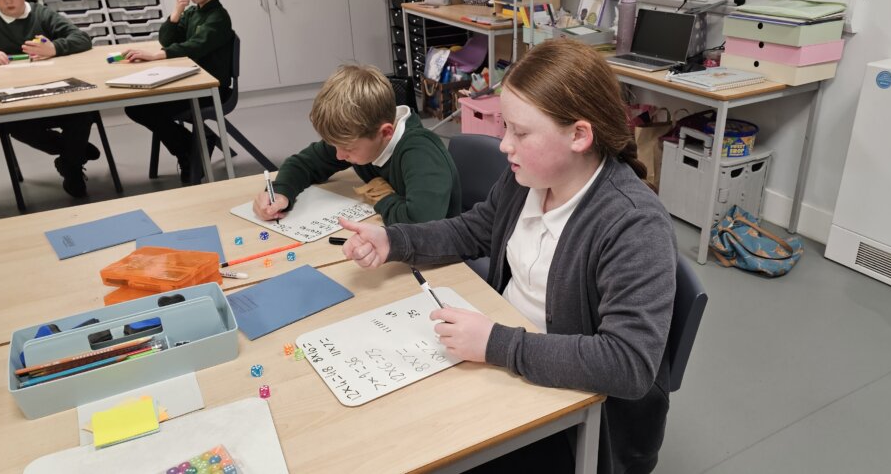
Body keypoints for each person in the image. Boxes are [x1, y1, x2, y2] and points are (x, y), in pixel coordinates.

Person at [337, 38, 677, 473]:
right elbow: (471, 230)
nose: (504, 145)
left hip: (573, 412)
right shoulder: (528, 179)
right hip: (510, 359)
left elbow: (627, 364)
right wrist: (395, 242)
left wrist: (496, 343)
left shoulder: (633, 225)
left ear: (579, 135)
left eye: (520, 132)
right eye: (505, 128)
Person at [252, 65, 461, 225]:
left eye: (348, 149)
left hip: (441, 259)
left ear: (386, 132)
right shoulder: (359, 138)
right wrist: (281, 192)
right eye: (336, 146)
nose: (340, 156)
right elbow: (303, 164)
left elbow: (420, 224)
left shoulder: (420, 153)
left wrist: (384, 198)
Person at [0, 0, 98, 197]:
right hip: (14, 98)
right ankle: (75, 153)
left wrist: (55, 48)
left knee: (81, 114)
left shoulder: (41, 14)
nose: (8, 1)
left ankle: (71, 165)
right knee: (14, 125)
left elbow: (82, 38)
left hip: (55, 92)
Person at [122, 0, 233, 185]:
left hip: (210, 90)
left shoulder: (218, 17)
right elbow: (167, 40)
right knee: (135, 107)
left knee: (140, 108)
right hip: (191, 83)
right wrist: (176, 13)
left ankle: (189, 152)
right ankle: (192, 148)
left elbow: (196, 46)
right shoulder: (192, 12)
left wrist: (157, 56)